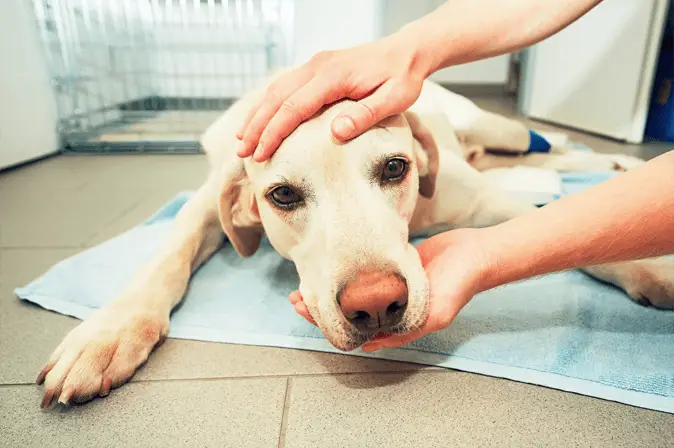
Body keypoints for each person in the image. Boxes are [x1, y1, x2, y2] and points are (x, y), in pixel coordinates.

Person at [237, 0, 674, 351]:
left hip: (450, 126)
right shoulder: (244, 161)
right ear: (247, 206)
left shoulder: (427, 145)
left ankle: (554, 147)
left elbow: (512, 212)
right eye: (287, 196)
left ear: (424, 162)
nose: (373, 296)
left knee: (505, 134)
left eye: (391, 169)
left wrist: (623, 263)